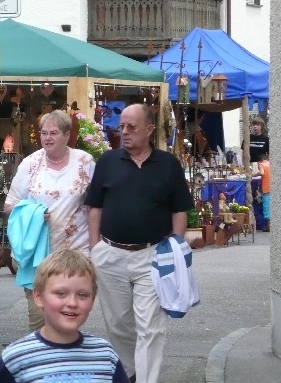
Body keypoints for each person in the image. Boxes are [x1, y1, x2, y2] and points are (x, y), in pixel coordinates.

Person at [85, 103, 193, 383]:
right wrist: (95, 248)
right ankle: (131, 372)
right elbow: (94, 207)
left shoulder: (168, 164)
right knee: (118, 323)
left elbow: (180, 210)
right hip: (109, 255)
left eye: (131, 127)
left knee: (151, 326)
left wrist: (176, 247)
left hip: (152, 256)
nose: (124, 132)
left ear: (149, 129)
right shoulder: (108, 161)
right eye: (121, 126)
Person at [3, 109, 96, 331]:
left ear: (67, 135)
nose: (47, 138)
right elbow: (9, 206)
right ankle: (41, 352)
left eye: (53, 133)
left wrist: (96, 247)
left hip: (75, 252)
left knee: (69, 314)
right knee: (38, 316)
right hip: (38, 255)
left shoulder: (85, 162)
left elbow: (96, 206)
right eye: (44, 133)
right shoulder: (30, 164)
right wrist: (33, 213)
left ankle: (65, 352)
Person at [0, 249, 129, 383]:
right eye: (61, 293)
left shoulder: (105, 356)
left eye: (82, 295)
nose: (72, 303)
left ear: (92, 300)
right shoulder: (16, 359)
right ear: (39, 297)